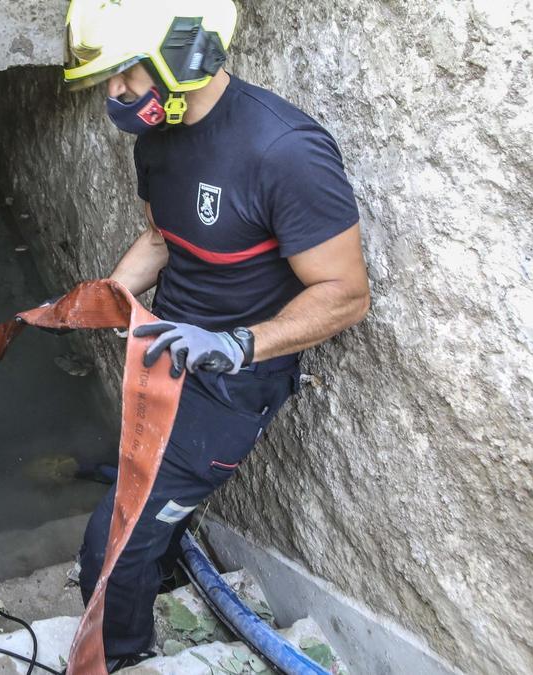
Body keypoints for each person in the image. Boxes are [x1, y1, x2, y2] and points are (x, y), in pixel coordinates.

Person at [62, 0, 371, 668]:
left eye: (124, 76)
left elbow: (346, 294)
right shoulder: (157, 140)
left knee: (108, 551)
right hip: (164, 360)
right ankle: (156, 562)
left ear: (182, 56)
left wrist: (236, 345)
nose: (113, 95)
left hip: (230, 389)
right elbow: (160, 236)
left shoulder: (284, 151)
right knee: (136, 525)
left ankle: (120, 654)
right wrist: (110, 294)